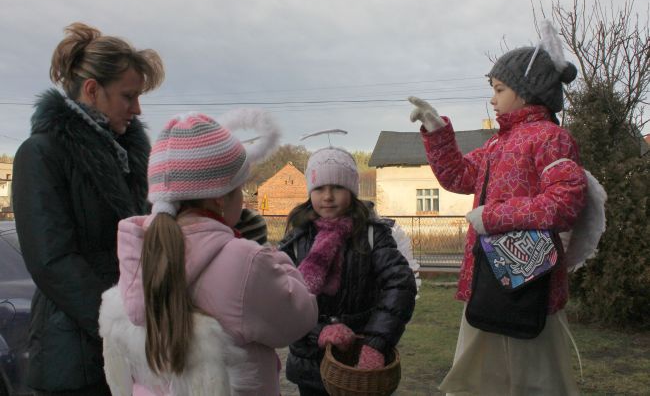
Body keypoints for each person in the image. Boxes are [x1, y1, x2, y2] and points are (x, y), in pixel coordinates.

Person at [409, 22, 588, 395]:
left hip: (531, 283)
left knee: (535, 379)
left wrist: (492, 217)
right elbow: (459, 177)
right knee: (480, 379)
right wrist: (437, 132)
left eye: (499, 89)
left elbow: (565, 202)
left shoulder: (553, 139)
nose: (492, 99)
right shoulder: (496, 145)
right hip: (486, 281)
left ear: (527, 91)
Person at [102, 113, 318, 395]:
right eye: (239, 187)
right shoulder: (244, 261)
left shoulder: (142, 250)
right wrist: (277, 260)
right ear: (219, 196)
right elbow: (299, 318)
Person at [12, 22, 164, 396]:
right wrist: (123, 325)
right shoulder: (42, 153)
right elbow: (53, 261)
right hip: (75, 354)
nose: (138, 108)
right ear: (93, 90)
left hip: (134, 347)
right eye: (129, 96)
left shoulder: (129, 158)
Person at [279, 146, 417, 395]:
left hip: (359, 361)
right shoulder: (296, 239)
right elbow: (281, 300)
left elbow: (400, 285)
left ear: (352, 191)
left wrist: (376, 343)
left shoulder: (373, 235)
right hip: (310, 362)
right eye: (319, 188)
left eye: (338, 187)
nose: (328, 196)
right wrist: (319, 332)